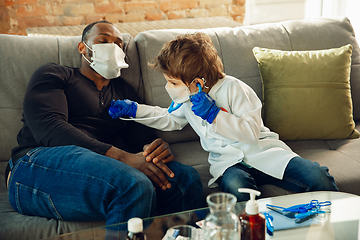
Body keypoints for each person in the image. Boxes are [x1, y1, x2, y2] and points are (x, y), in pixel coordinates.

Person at [5, 21, 203, 228]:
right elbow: (49, 128)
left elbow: (141, 139)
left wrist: (153, 149)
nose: (113, 47)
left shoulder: (124, 92)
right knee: (133, 184)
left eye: (119, 44)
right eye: (103, 41)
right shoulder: (55, 75)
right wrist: (122, 157)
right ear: (83, 47)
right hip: (34, 164)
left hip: (100, 166)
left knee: (185, 180)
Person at [109, 32, 339, 202]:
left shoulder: (235, 89)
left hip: (264, 152)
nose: (168, 87)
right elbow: (169, 119)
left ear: (196, 82)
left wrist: (214, 114)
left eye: (172, 82)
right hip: (229, 163)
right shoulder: (187, 99)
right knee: (238, 190)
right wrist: (134, 110)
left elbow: (250, 133)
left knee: (318, 177)